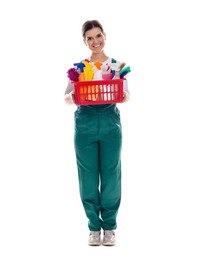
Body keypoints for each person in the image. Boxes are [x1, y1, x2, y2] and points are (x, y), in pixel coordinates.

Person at [64, 20, 130, 246]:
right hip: (85, 122)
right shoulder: (79, 68)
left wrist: (124, 96)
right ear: (84, 41)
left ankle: (109, 227)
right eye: (90, 38)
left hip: (110, 120)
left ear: (105, 36)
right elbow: (66, 96)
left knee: (111, 174)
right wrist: (72, 97)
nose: (95, 41)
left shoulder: (116, 65)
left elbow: (126, 94)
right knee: (88, 175)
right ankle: (94, 227)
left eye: (98, 36)